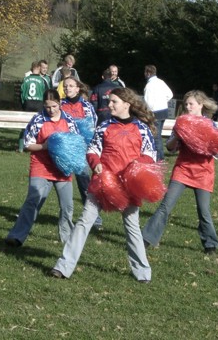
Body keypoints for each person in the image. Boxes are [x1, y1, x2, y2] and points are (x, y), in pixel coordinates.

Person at [50, 88, 156, 283]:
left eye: (114, 102)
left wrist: (137, 167)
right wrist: (95, 163)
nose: (109, 105)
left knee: (132, 226)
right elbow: (92, 149)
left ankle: (143, 273)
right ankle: (63, 267)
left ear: (127, 104)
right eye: (109, 101)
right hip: (102, 182)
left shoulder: (142, 128)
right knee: (84, 222)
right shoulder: (104, 126)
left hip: (129, 185)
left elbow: (150, 154)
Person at [142, 90, 218, 254]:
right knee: (165, 206)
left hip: (204, 172)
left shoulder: (210, 125)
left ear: (201, 105)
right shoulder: (182, 122)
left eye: (191, 103)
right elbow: (170, 148)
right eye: (186, 104)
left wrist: (204, 143)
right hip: (183, 169)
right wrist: (177, 136)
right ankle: (146, 239)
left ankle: (211, 245)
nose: (188, 107)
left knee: (204, 211)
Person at [5, 90, 79, 247]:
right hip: (41, 166)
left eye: (54, 106)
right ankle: (17, 236)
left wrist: (68, 156)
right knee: (33, 200)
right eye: (47, 107)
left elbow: (76, 144)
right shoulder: (38, 119)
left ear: (60, 103)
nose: (51, 110)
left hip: (62, 169)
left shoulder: (69, 121)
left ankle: (68, 241)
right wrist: (46, 146)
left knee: (67, 206)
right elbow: (27, 145)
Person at [61, 77, 102, 229]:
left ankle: (94, 217)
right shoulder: (60, 105)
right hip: (62, 149)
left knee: (84, 181)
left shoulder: (86, 106)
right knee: (54, 182)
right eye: (65, 86)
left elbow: (92, 127)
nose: (68, 89)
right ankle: (33, 213)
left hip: (81, 149)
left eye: (71, 86)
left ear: (78, 88)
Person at [143, 64, 173, 161]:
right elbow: (170, 94)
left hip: (154, 113)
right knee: (158, 135)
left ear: (148, 73)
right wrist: (162, 102)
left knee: (156, 137)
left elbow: (147, 103)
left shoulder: (149, 86)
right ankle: (159, 158)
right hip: (164, 111)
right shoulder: (161, 82)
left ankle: (160, 158)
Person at [18, 61, 48, 152]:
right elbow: (46, 93)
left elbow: (22, 93)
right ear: (39, 68)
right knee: (38, 124)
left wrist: (23, 104)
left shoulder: (26, 79)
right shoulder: (42, 80)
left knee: (24, 125)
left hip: (28, 102)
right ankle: (36, 147)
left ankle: (21, 147)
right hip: (38, 103)